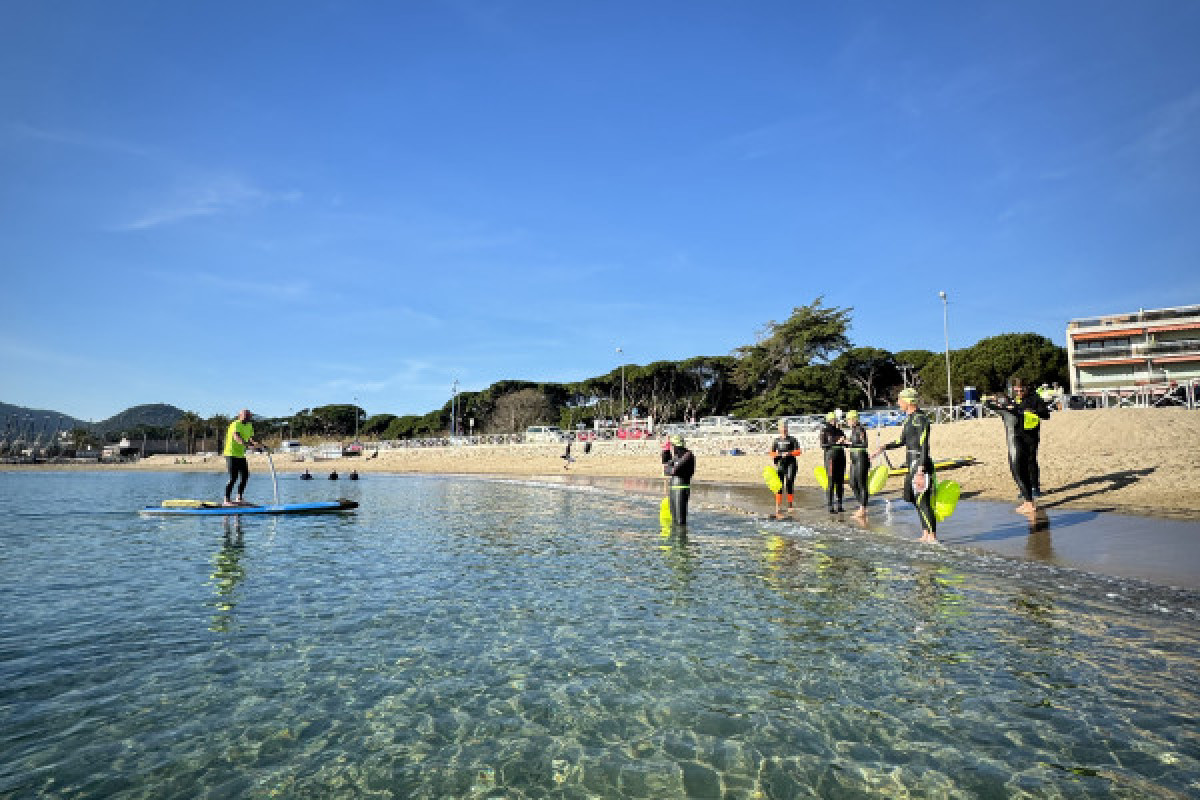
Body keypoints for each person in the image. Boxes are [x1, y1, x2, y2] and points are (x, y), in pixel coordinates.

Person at [873, 388, 937, 542]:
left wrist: (921, 468)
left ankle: (932, 536)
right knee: (911, 497)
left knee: (922, 500)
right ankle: (925, 533)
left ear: (908, 401)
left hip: (920, 463)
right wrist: (884, 447)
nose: (898, 403)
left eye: (900, 400)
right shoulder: (908, 419)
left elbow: (924, 445)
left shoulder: (921, 419)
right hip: (911, 464)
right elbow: (901, 440)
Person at [1014, 379, 1051, 496]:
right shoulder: (1016, 399)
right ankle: (1025, 488)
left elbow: (1046, 415)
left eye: (1022, 389)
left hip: (1031, 435)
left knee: (1031, 460)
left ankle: (1035, 487)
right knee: (1020, 462)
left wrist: (1034, 411)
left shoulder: (1036, 398)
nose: (1019, 392)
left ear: (1027, 388)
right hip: (1018, 434)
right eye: (1017, 390)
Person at [223, 409, 262, 506]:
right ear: (239, 416)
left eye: (249, 416)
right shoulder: (235, 424)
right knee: (234, 477)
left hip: (241, 454)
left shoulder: (249, 425)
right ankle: (226, 500)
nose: (248, 417)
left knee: (245, 476)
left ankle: (239, 498)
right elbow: (237, 437)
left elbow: (251, 438)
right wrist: (247, 445)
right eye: (246, 416)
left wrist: (259, 445)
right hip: (231, 454)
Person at [663, 434, 695, 525]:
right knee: (674, 520)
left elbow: (674, 471)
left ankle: (681, 538)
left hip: (681, 489)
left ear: (677, 446)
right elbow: (665, 467)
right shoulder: (677, 457)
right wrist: (666, 450)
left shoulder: (687, 455)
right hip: (673, 488)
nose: (672, 448)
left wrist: (670, 469)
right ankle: (675, 537)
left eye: (672, 446)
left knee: (680, 521)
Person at [769, 420, 800, 513]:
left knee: (789, 483)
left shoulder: (792, 439)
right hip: (780, 464)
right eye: (782, 427)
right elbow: (771, 453)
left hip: (791, 464)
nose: (784, 429)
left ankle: (790, 505)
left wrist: (789, 453)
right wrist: (777, 455)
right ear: (779, 429)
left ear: (787, 428)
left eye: (785, 427)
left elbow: (798, 452)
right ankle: (778, 505)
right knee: (779, 485)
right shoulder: (776, 441)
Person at [819, 411, 847, 513]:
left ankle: (840, 504)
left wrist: (845, 442)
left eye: (835, 419)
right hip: (830, 457)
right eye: (832, 419)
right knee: (831, 482)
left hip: (840, 456)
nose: (833, 421)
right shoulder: (825, 430)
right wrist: (836, 442)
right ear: (828, 420)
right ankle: (830, 505)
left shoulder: (839, 430)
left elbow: (845, 443)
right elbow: (823, 445)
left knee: (840, 482)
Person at [845, 410, 871, 518]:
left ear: (854, 419)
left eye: (849, 420)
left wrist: (850, 442)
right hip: (854, 459)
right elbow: (853, 444)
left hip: (861, 458)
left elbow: (865, 444)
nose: (847, 422)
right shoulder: (853, 430)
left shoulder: (860, 429)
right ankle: (862, 505)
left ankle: (862, 509)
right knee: (852, 482)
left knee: (861, 483)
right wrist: (845, 442)